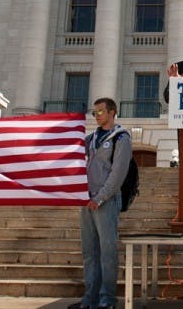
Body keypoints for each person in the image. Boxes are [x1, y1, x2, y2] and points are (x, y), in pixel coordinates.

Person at [71, 98, 132, 309]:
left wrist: (100, 197)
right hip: (86, 200)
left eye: (100, 111)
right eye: (94, 112)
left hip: (105, 201)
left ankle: (107, 299)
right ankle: (90, 298)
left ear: (112, 112)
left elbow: (118, 174)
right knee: (89, 252)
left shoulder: (121, 138)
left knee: (107, 252)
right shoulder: (90, 138)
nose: (96, 115)